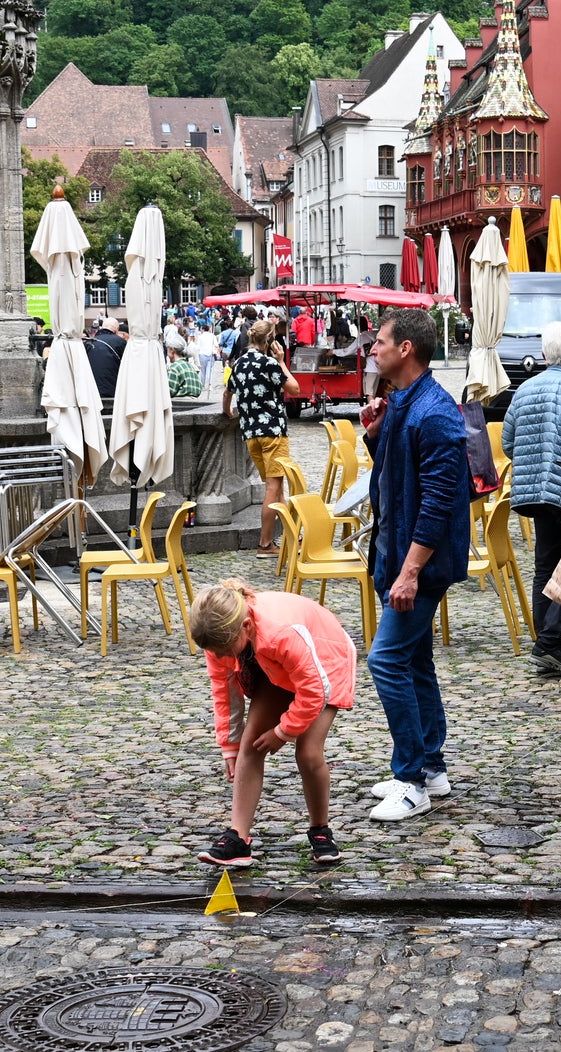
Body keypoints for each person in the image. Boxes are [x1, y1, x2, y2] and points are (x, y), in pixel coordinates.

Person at [362, 309, 471, 823]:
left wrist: (409, 572)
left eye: (379, 341)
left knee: (385, 661)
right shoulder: (405, 402)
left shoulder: (436, 413)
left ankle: (411, 781)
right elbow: (396, 482)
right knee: (414, 661)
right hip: (398, 553)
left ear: (406, 349)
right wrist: (375, 436)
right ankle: (430, 767)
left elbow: (439, 503)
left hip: (419, 564)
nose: (372, 348)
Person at [190, 579, 357, 869]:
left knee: (307, 752)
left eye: (225, 651)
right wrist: (230, 746)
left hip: (325, 662)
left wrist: (283, 731)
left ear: (244, 626)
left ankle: (320, 830)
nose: (220, 657)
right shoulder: (218, 639)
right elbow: (225, 692)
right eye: (215, 652)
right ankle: (237, 839)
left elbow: (314, 690)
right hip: (274, 666)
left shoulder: (279, 633)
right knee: (250, 743)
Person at [500, 320, 561, 677]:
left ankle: (549, 644)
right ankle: (550, 642)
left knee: (547, 564)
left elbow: (508, 443)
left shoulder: (524, 389)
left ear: (544, 354)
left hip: (533, 491)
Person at [227, 318, 300, 553]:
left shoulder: (238, 363)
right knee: (273, 487)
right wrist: (281, 361)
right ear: (269, 339)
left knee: (276, 488)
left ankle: (290, 535)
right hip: (273, 432)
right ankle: (265, 543)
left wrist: (228, 413)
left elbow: (227, 395)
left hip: (251, 434)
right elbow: (295, 388)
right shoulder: (268, 363)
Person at [86, 317, 127, 405]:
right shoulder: (120, 342)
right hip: (112, 393)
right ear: (116, 330)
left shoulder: (89, 343)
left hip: (90, 393)